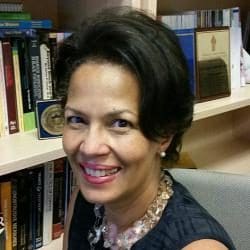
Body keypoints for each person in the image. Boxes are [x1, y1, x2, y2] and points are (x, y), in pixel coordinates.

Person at [55, 6, 235, 250]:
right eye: (77, 120)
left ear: (164, 133)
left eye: (120, 123)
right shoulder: (85, 201)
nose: (90, 147)